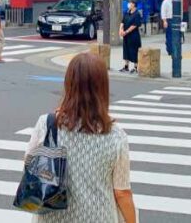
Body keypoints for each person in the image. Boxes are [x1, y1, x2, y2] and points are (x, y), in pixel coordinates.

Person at [25, 52, 136, 223]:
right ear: (103, 88)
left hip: (53, 217)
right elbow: (121, 192)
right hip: (98, 217)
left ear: (69, 84)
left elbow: (29, 164)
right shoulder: (115, 135)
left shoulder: (47, 125)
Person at [119, 0, 143, 74]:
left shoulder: (137, 14)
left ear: (134, 5)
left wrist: (126, 32)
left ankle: (135, 67)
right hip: (126, 35)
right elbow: (122, 21)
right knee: (126, 50)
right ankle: (126, 66)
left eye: (130, 3)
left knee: (134, 50)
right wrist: (120, 30)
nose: (128, 4)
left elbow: (134, 25)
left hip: (133, 36)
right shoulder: (127, 12)